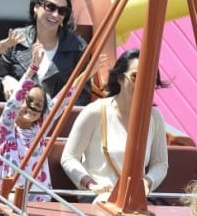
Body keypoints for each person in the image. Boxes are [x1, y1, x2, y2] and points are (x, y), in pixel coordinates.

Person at [0, 43, 106, 211]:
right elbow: (12, 105)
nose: (32, 107)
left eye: (38, 104)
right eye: (28, 101)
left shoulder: (40, 129)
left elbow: (64, 98)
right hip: (8, 195)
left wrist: (86, 74)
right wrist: (32, 68)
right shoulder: (7, 128)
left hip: (37, 197)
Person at [61, 48, 169, 201]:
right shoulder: (95, 111)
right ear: (120, 78)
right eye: (136, 77)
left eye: (149, 79)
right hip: (99, 196)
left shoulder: (154, 118)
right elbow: (69, 157)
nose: (143, 84)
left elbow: (160, 164)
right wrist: (91, 184)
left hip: (134, 199)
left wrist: (146, 182)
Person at [0, 0, 91, 104]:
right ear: (36, 7)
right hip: (17, 116)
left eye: (62, 11)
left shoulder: (78, 47)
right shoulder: (16, 39)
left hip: (57, 119)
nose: (55, 14)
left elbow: (82, 95)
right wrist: (6, 81)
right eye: (50, 7)